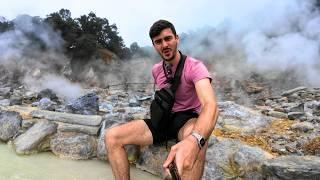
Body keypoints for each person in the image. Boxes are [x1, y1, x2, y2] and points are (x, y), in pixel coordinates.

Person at [105, 19, 219, 180]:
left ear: (176, 38)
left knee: (200, 142)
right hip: (163, 120)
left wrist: (194, 140)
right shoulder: (156, 70)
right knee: (112, 136)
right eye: (158, 41)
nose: (164, 45)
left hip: (186, 120)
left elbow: (210, 105)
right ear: (154, 45)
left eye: (168, 38)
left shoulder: (195, 66)